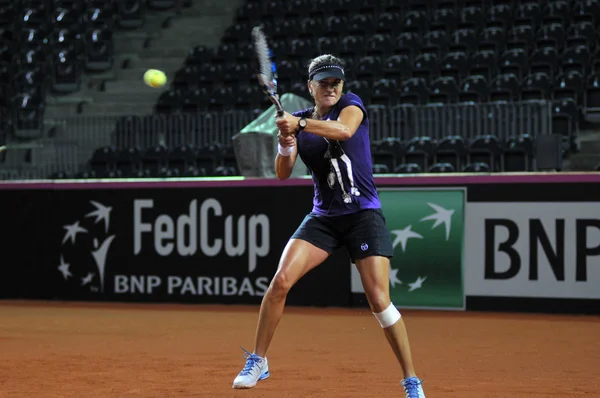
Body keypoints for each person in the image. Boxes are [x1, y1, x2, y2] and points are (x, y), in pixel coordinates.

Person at [232, 54, 426, 398]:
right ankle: (258, 360)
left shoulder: (351, 106)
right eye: (324, 83)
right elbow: (282, 171)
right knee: (280, 282)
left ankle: (411, 379)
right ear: (311, 87)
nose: (331, 88)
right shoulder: (301, 122)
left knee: (380, 301)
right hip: (323, 218)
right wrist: (286, 140)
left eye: (336, 82)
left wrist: (301, 125)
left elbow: (344, 130)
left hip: (363, 215)